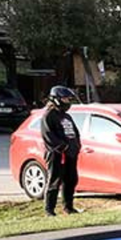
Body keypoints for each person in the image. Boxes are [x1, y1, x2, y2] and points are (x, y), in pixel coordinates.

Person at [40, 85, 83, 216]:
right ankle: (49, 210)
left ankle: (68, 207)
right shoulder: (49, 116)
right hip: (56, 154)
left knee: (71, 180)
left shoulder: (67, 116)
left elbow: (75, 133)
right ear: (56, 99)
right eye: (65, 99)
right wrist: (63, 147)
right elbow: (48, 135)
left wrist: (76, 146)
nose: (68, 102)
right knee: (54, 181)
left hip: (70, 154)